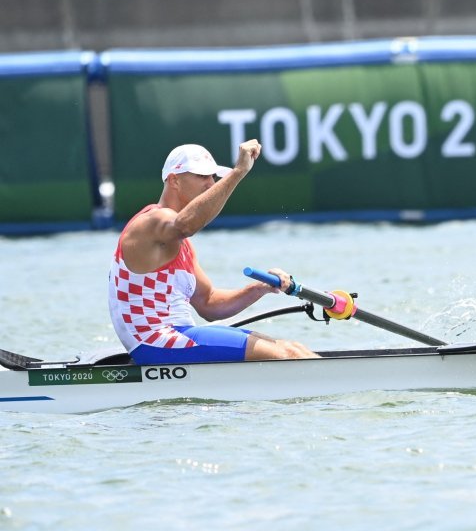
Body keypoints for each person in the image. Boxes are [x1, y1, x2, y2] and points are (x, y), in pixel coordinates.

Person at [108, 140, 318, 364]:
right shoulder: (153, 221)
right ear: (174, 180)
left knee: (293, 348)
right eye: (202, 176)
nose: (211, 184)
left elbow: (208, 303)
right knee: (289, 356)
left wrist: (261, 288)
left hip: (176, 336)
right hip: (155, 341)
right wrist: (238, 172)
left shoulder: (181, 243)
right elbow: (185, 225)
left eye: (213, 177)